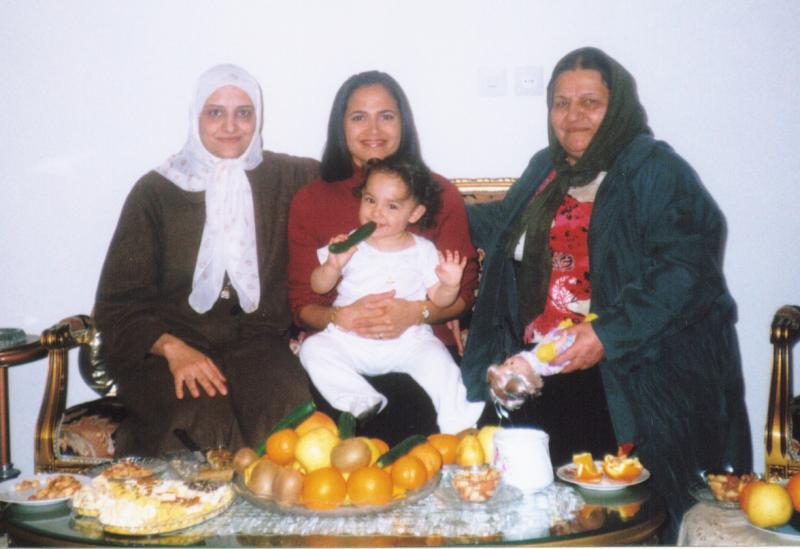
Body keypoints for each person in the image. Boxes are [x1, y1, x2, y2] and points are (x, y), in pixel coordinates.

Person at [461, 47, 751, 542]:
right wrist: (421, 209)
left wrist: (606, 335)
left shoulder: (655, 170)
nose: (573, 115)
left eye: (590, 102)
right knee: (496, 482)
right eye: (561, 103)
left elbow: (686, 271)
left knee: (585, 515)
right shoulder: (547, 168)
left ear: (616, 108)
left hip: (630, 365)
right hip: (545, 360)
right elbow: (499, 224)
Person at [94, 64, 319, 457]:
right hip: (167, 348)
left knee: (291, 418)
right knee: (201, 424)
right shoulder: (155, 192)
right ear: (195, 116)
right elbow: (119, 304)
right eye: (215, 112)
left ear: (258, 118)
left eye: (243, 113)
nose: (230, 126)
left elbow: (355, 180)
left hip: (258, 344)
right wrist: (172, 349)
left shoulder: (288, 179)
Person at [288, 70, 480, 443]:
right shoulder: (312, 200)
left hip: (415, 342)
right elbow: (303, 302)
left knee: (417, 415)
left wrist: (416, 312)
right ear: (341, 126)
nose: (373, 129)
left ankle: (462, 427)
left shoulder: (438, 193)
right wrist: (339, 315)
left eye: (386, 116)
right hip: (345, 344)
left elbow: (462, 294)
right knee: (320, 371)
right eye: (359, 116)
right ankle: (359, 400)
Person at [299, 157, 485, 433]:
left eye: (392, 206)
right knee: (313, 350)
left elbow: (440, 300)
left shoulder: (423, 250)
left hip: (407, 341)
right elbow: (319, 286)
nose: (377, 212)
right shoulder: (350, 242)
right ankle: (359, 399)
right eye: (370, 200)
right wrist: (331, 266)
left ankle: (460, 423)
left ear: (415, 214)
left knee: (439, 362)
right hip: (350, 339)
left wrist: (449, 285)